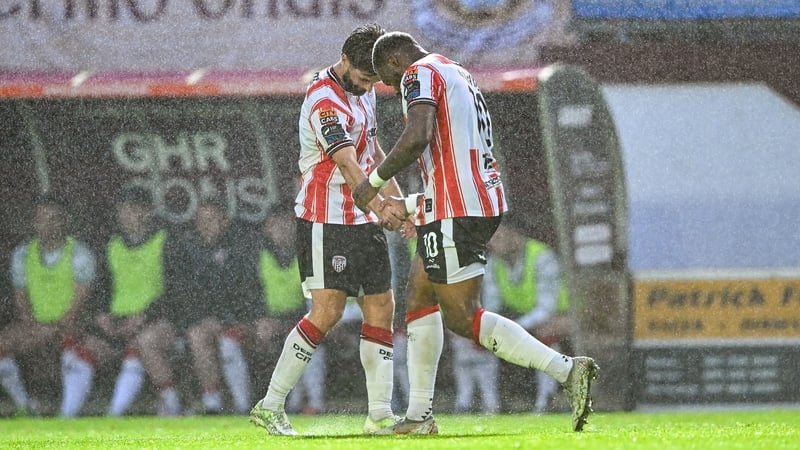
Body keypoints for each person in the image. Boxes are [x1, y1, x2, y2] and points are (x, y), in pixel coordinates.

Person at [353, 31, 598, 433]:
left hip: (457, 208)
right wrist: (416, 205)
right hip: (466, 202)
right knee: (417, 298)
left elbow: (419, 137)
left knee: (463, 318)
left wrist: (373, 182)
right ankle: (418, 417)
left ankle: (568, 371)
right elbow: (451, 153)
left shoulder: (418, 73)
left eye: (391, 81)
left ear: (396, 63)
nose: (396, 89)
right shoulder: (456, 72)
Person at [249, 23, 407, 436]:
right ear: (345, 60)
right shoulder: (323, 99)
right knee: (327, 312)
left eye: (374, 79)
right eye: (364, 76)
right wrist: (380, 205)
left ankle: (379, 415)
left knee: (381, 307)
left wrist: (398, 202)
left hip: (362, 217)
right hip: (326, 219)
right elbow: (348, 163)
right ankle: (270, 405)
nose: (369, 85)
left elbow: (374, 153)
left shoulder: (365, 89)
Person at [0, 193, 113, 417]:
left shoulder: (81, 254)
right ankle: (25, 406)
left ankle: (67, 415)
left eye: (54, 219)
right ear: (34, 223)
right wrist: (34, 327)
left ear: (65, 221)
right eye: (42, 219)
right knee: (3, 343)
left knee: (74, 342)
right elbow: (21, 302)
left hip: (71, 324)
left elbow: (78, 305)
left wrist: (51, 329)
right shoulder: (22, 255)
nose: (48, 225)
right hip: (36, 326)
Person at [94, 186, 183, 417]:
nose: (126, 215)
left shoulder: (167, 241)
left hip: (157, 321)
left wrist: (144, 317)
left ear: (148, 212)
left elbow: (175, 292)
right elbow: (101, 289)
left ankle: (172, 404)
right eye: (122, 210)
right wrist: (102, 315)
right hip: (117, 323)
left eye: (132, 209)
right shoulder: (111, 245)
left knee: (144, 342)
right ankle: (66, 414)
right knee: (80, 348)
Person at [174, 197, 263, 415]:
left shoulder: (242, 248)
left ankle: (243, 405)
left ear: (225, 221)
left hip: (244, 322)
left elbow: (249, 293)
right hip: (210, 322)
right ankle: (212, 402)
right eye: (201, 221)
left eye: (211, 220)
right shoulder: (190, 251)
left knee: (228, 341)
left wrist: (228, 319)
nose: (206, 226)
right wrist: (206, 318)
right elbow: (187, 295)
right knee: (196, 335)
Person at [482, 221, 572, 413]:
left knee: (544, 333)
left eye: (498, 238)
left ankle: (546, 401)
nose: (492, 245)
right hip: (521, 317)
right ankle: (493, 404)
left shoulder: (541, 256)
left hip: (560, 315)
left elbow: (547, 308)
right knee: (483, 338)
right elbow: (492, 306)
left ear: (516, 236)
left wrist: (515, 327)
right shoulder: (493, 264)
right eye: (490, 240)